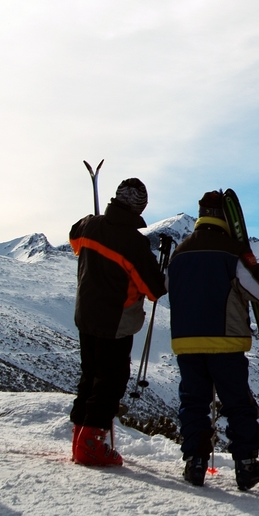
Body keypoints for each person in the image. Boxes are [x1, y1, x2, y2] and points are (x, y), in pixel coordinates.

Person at [167, 190, 259, 491]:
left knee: (193, 402)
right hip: (225, 342)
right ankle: (246, 465)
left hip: (186, 342)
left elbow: (165, 288)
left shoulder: (179, 253)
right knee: (237, 403)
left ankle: (194, 463)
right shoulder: (230, 252)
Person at [69, 178, 167, 466]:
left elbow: (74, 240)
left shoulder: (88, 224)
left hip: (85, 315)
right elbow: (154, 290)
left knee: (89, 377)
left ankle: (80, 438)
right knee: (110, 382)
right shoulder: (133, 243)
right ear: (140, 206)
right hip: (115, 321)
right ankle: (90, 445)